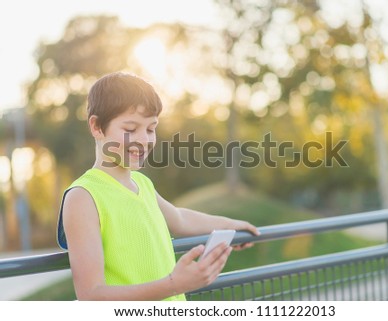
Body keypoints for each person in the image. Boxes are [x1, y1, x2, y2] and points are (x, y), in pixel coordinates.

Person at [56, 72, 259, 301]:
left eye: (151, 129)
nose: (144, 140)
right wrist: (174, 284)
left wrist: (231, 226)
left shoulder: (142, 184)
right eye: (130, 129)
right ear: (96, 126)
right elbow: (91, 295)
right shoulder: (83, 196)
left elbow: (180, 218)